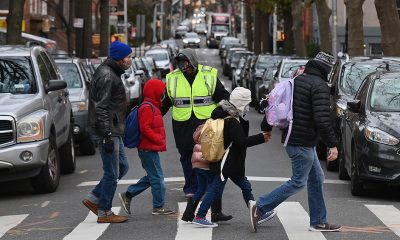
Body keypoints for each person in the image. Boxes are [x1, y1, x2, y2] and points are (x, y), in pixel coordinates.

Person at [249, 52, 341, 232]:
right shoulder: (320, 86)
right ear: (327, 70)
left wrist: (266, 127)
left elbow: (274, 104)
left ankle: (318, 221)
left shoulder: (297, 80)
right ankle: (260, 207)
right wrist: (332, 144)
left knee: (316, 178)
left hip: (296, 139)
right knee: (298, 181)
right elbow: (322, 119)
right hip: (302, 141)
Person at [161, 49, 232, 222]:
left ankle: (207, 191)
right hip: (182, 124)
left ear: (192, 62)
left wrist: (226, 114)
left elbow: (223, 98)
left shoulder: (208, 75)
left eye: (184, 62)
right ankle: (191, 189)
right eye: (179, 63)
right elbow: (166, 103)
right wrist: (153, 118)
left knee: (208, 157)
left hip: (205, 124)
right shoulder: (172, 78)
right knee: (186, 156)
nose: (182, 66)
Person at [191, 87, 271, 227]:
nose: (247, 108)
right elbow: (241, 142)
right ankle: (200, 216)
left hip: (231, 163)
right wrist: (261, 138)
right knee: (215, 188)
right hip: (226, 162)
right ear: (240, 104)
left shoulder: (227, 116)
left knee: (245, 186)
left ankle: (258, 212)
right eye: (246, 105)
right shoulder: (232, 121)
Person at [83, 41, 133, 223]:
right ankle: (104, 211)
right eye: (128, 57)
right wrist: (107, 136)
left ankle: (95, 198)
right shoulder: (107, 76)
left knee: (123, 167)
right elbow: (101, 108)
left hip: (113, 128)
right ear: (119, 59)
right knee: (112, 172)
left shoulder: (112, 73)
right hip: (107, 131)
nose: (131, 59)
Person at [118, 79, 175, 216]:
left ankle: (128, 194)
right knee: (158, 178)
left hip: (149, 148)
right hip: (147, 148)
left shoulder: (153, 106)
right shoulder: (147, 108)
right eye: (161, 91)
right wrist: (158, 139)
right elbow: (145, 128)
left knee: (152, 176)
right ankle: (158, 206)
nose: (163, 94)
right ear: (154, 92)